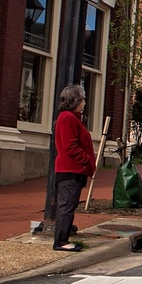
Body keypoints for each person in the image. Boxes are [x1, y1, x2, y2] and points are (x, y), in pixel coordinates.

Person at [52, 84, 96, 252]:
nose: (85, 102)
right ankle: (61, 241)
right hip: (70, 169)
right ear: (76, 100)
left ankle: (65, 234)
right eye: (83, 99)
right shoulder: (68, 118)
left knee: (69, 204)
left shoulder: (71, 118)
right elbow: (70, 146)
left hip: (74, 169)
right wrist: (86, 160)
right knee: (66, 205)